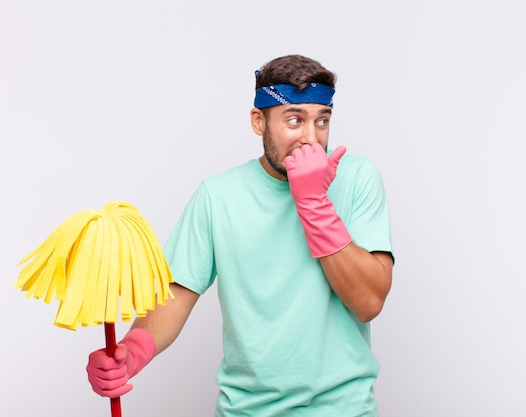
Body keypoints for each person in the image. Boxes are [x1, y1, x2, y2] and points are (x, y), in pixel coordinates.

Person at [86, 54, 394, 416]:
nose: (311, 139)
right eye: (294, 120)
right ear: (258, 121)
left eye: (321, 121)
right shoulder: (218, 196)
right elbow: (176, 293)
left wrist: (315, 204)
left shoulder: (357, 177)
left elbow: (369, 302)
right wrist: (133, 351)